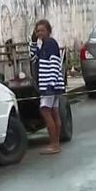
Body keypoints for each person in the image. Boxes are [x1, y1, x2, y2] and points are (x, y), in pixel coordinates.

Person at [30, 20, 65, 155]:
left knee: (45, 111)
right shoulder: (43, 45)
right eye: (37, 31)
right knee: (55, 113)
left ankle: (54, 144)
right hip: (54, 85)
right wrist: (34, 43)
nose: (39, 33)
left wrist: (50, 84)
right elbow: (33, 58)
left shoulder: (50, 44)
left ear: (48, 31)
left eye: (42, 30)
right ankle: (56, 144)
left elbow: (54, 64)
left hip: (50, 85)